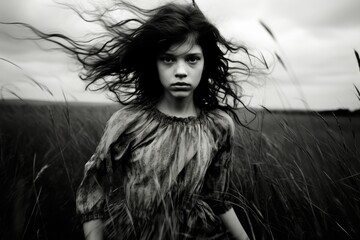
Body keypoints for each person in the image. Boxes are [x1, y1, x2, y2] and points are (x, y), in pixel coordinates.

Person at [74, 1, 259, 239]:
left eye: (192, 59)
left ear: (205, 63)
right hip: (134, 231)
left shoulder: (219, 126)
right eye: (168, 59)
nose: (181, 71)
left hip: (196, 233)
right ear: (155, 63)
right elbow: (94, 188)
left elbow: (217, 197)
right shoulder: (129, 121)